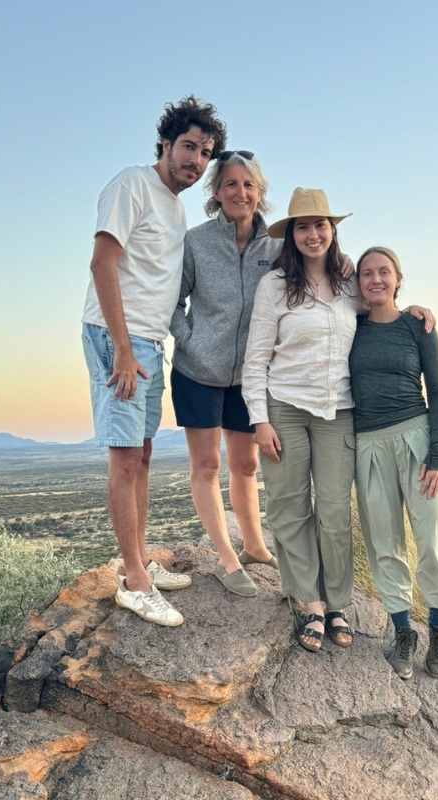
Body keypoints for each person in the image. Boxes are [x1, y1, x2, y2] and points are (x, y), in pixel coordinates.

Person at [81, 96, 227, 626]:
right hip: (118, 338)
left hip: (148, 343)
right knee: (124, 460)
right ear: (165, 144)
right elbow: (103, 262)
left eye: (206, 152)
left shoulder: (177, 204)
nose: (196, 160)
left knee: (141, 456)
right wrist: (121, 347)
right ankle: (135, 582)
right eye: (189, 146)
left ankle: (139, 560)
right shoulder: (132, 183)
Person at [241, 188, 361, 651]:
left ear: (333, 231)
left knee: (333, 510)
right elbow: (256, 359)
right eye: (304, 227)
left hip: (339, 410)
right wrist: (259, 420)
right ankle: (309, 602)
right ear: (291, 235)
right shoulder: (274, 286)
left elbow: (382, 307)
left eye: (321, 225)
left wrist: (414, 311)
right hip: (284, 409)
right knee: (289, 508)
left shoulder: (350, 285)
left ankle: (338, 603)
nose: (314, 234)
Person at [168, 151, 280, 597]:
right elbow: (172, 302)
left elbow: (323, 276)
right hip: (197, 372)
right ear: (216, 193)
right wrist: (191, 340)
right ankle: (226, 558)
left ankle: (254, 546)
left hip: (250, 376)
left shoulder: (275, 247)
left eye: (248, 184)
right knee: (208, 464)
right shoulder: (195, 242)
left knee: (246, 463)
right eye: (231, 184)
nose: (241, 192)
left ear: (260, 192)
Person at [349, 246, 438, 679]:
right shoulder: (349, 326)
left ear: (397, 278)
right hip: (368, 444)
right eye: (367, 273)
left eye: (384, 272)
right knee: (384, 543)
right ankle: (403, 632)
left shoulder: (418, 326)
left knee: (430, 538)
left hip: (416, 438)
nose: (376, 279)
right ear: (357, 282)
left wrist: (437, 455)